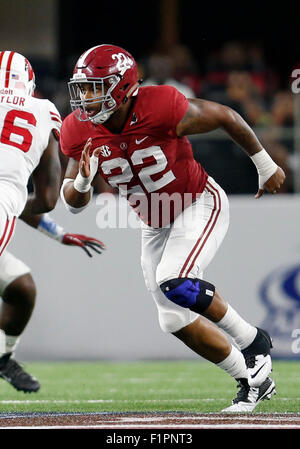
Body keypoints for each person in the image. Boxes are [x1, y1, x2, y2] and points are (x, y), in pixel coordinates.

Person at [59, 44, 285, 412]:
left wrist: (264, 163)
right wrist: (84, 181)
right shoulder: (77, 129)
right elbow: (72, 202)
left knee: (175, 279)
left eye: (95, 87)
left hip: (197, 201)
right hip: (154, 220)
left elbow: (225, 115)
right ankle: (250, 380)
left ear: (122, 87)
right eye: (83, 88)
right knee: (173, 319)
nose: (86, 97)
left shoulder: (160, 105)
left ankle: (254, 340)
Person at [0, 50, 105, 393]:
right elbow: (45, 198)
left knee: (20, 288)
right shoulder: (42, 111)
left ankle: (2, 358)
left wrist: (56, 233)